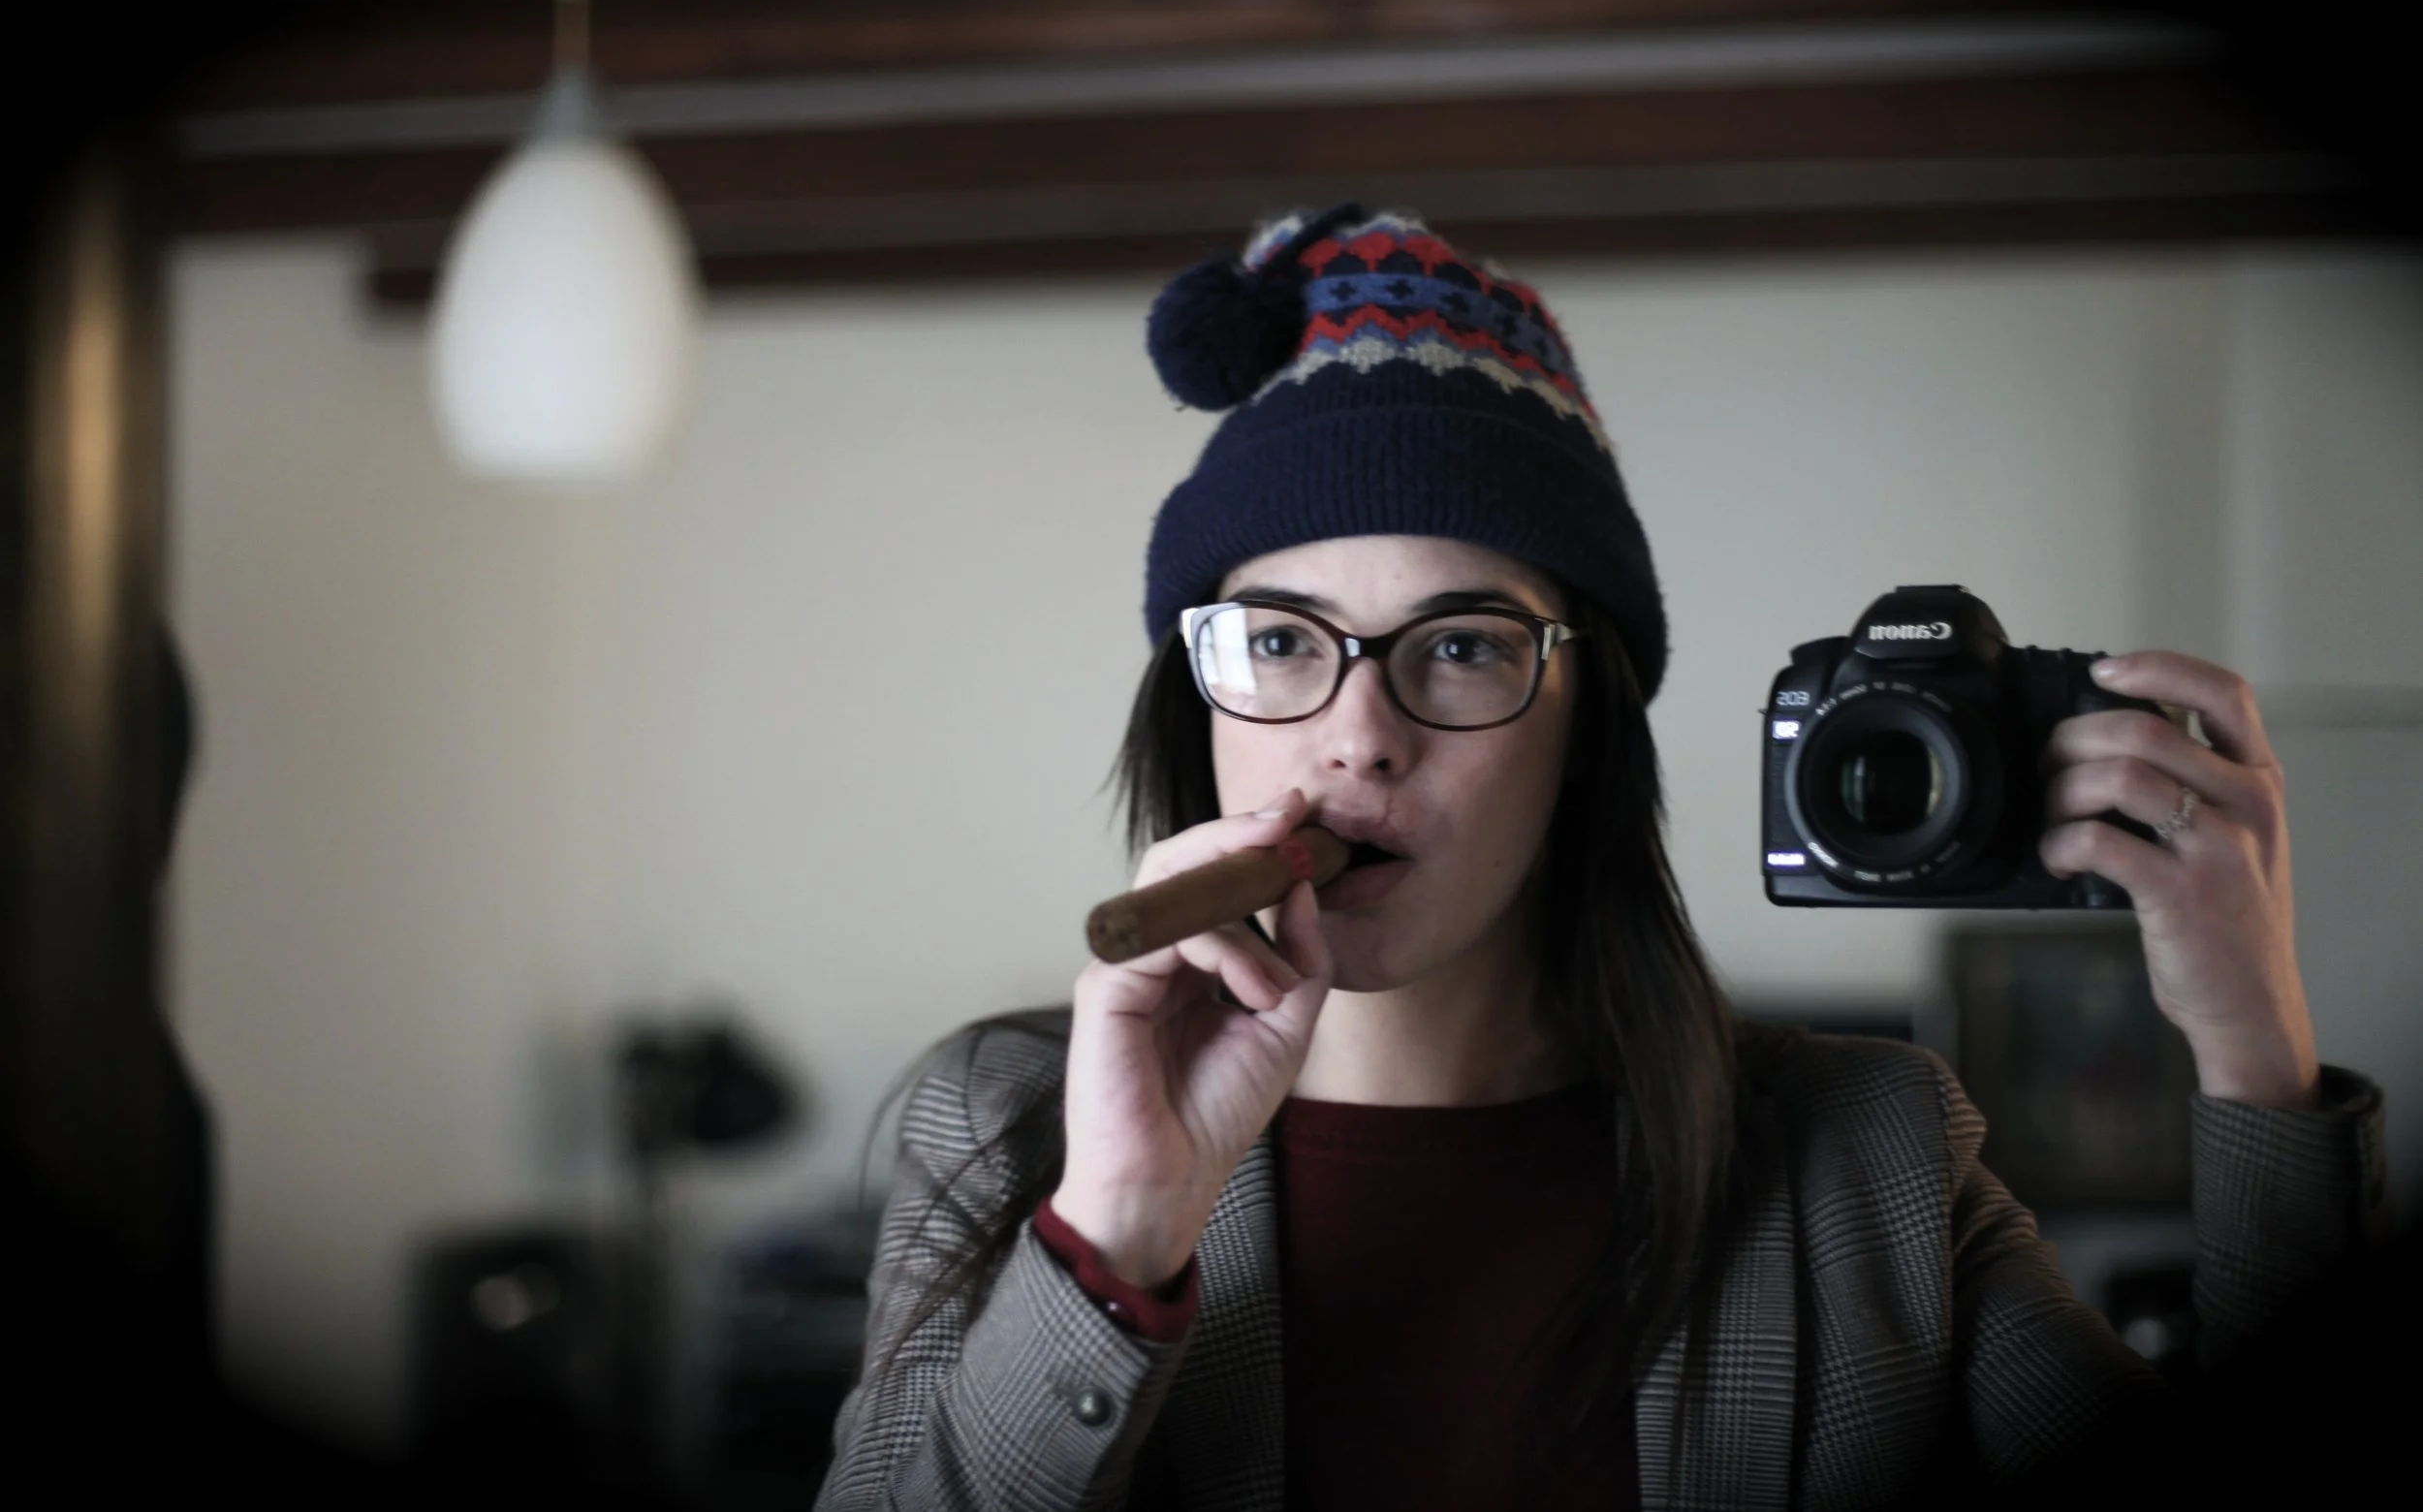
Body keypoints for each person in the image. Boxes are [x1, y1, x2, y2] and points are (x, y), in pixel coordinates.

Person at [812, 205, 2386, 1511]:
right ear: (1199, 693)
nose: (1357, 735)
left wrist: (2257, 1057)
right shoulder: (1002, 1120)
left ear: (1588, 728)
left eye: (1466, 646)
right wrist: (1116, 1238)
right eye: (1282, 641)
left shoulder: (1864, 1157)